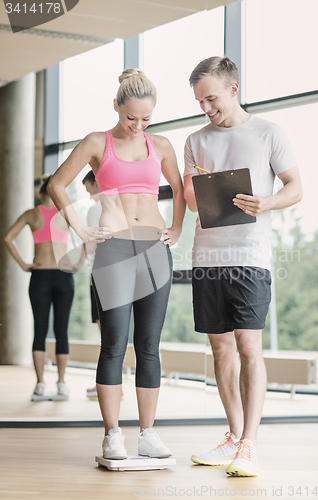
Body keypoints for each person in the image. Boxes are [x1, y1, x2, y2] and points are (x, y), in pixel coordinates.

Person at [47, 69, 186, 460]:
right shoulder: (97, 142)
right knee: (113, 345)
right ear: (116, 107)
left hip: (155, 250)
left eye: (146, 119)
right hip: (114, 251)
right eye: (131, 118)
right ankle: (112, 434)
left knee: (149, 346)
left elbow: (177, 189)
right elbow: (58, 184)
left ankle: (148, 433)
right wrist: (80, 229)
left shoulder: (160, 145)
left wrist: (176, 226)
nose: (138, 125)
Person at [183, 56, 302, 477]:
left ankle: (250, 444)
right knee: (220, 347)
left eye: (211, 99)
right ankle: (233, 436)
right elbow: (192, 200)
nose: (206, 109)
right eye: (199, 102)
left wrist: (264, 202)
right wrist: (201, 184)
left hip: (250, 256)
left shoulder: (268, 132)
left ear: (234, 88)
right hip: (207, 255)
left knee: (249, 345)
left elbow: (295, 187)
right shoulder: (196, 139)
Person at [4, 174, 80, 399]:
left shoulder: (31, 214)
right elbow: (87, 237)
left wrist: (23, 264)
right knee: (61, 331)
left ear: (40, 193)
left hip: (39, 276)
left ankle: (39, 384)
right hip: (64, 277)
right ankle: (62, 383)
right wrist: (77, 263)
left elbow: (8, 237)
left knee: (39, 330)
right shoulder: (66, 213)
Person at [82, 170, 102, 400]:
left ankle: (106, 385)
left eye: (90, 189)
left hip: (98, 275)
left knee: (105, 335)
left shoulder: (94, 210)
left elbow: (91, 245)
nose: (89, 196)